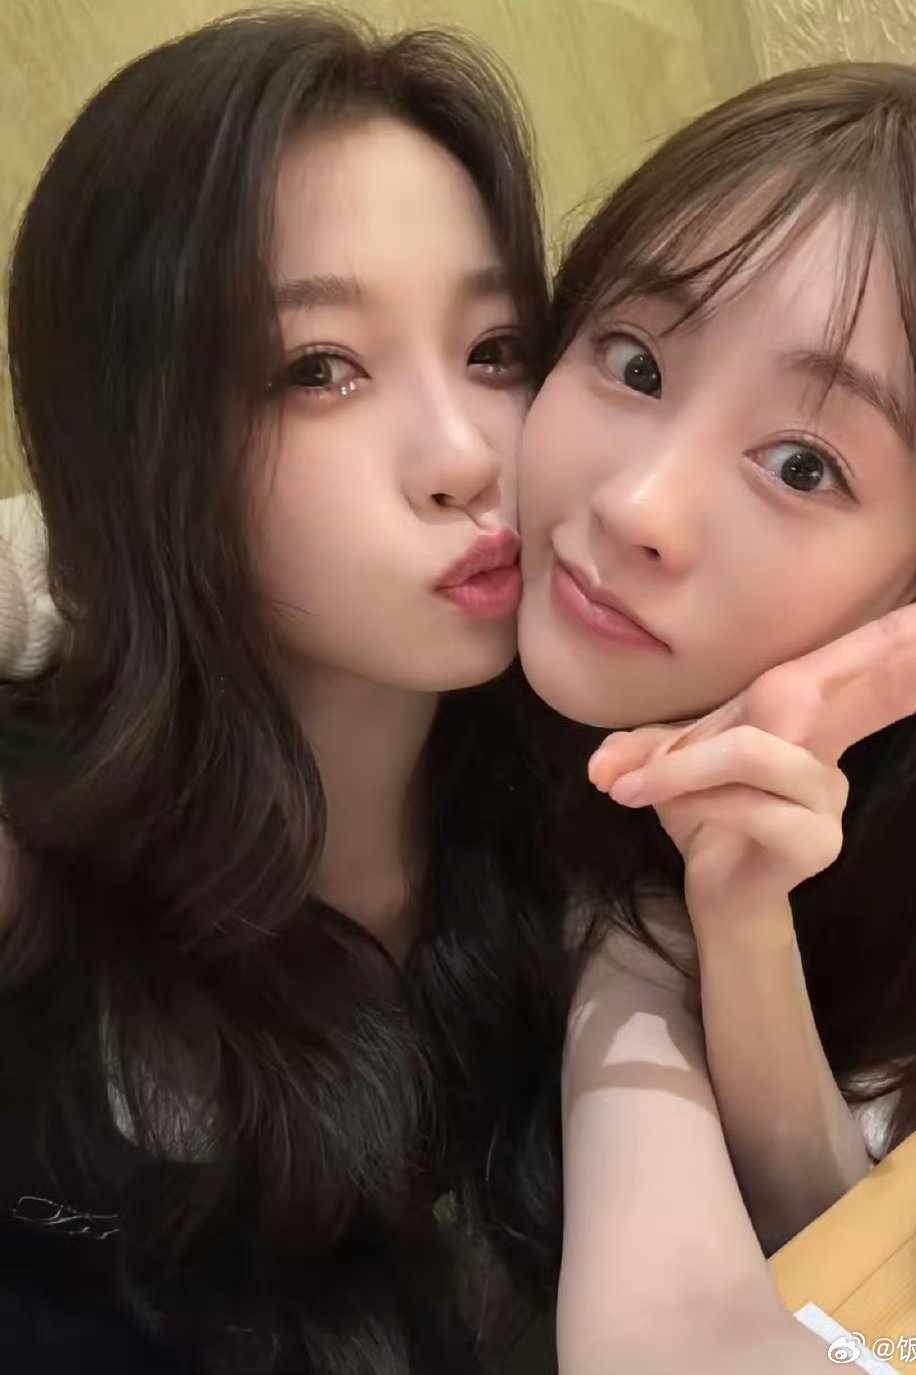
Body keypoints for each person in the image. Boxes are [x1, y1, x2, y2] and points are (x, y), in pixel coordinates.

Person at [0, 11, 573, 1372]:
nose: (464, 455)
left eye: (496, 349)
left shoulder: (583, 802)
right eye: (319, 368)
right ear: (141, 439)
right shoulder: (40, 864)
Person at [518, 61, 916, 1254]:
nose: (639, 505)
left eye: (802, 465)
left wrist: (744, 921)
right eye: (636, 364)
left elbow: (846, 1285)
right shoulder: (428, 658)